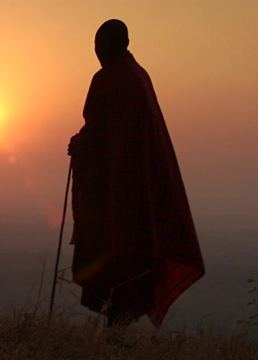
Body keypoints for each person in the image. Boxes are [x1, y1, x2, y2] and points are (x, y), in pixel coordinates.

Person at [68, 19, 205, 328]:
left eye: (100, 45)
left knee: (118, 269)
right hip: (139, 194)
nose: (97, 52)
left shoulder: (109, 79)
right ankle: (116, 336)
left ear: (118, 45)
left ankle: (115, 336)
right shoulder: (139, 76)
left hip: (116, 199)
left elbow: (98, 132)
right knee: (129, 268)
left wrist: (78, 144)